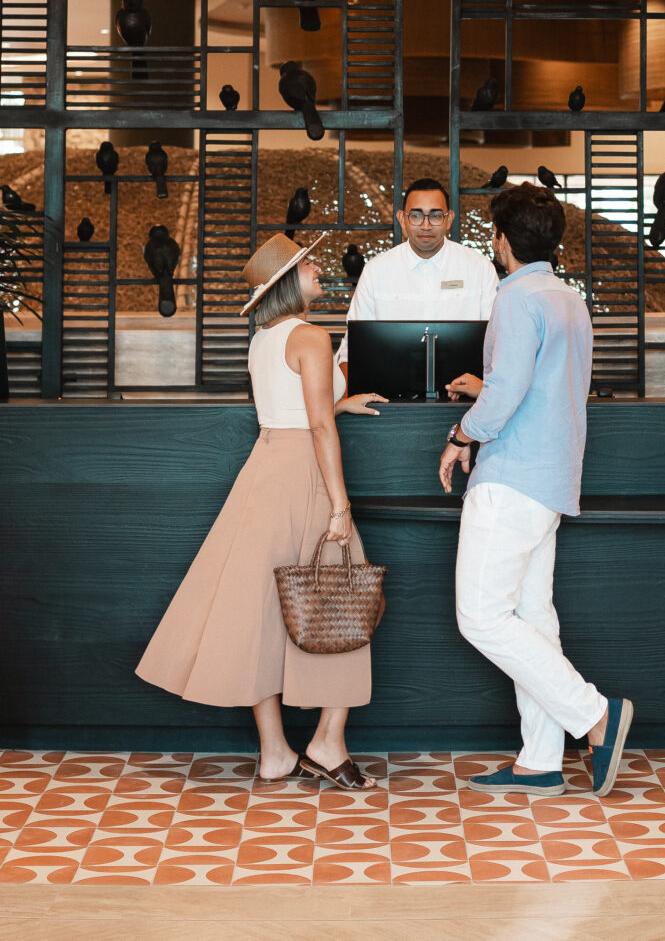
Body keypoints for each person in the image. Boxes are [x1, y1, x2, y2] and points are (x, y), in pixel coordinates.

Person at [137, 233, 388, 789]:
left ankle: (275, 752)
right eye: (307, 264)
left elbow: (295, 410)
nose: (319, 267)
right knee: (340, 600)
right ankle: (326, 741)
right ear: (288, 283)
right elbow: (318, 426)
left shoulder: (264, 339)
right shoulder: (313, 337)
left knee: (261, 616)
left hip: (264, 468)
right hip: (304, 476)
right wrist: (340, 507)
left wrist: (338, 403)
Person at [436, 183, 635, 797]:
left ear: (503, 243)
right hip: (552, 480)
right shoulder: (569, 299)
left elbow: (510, 389)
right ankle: (540, 759)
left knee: (480, 617)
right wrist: (489, 388)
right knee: (532, 618)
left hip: (512, 476)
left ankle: (596, 716)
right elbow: (541, 384)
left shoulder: (517, 299)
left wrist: (464, 432)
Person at [337, 176, 500, 394]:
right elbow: (352, 351)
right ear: (402, 219)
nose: (425, 225)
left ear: (449, 219)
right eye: (415, 215)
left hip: (466, 403)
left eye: (435, 215)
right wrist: (349, 411)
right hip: (388, 402)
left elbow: (499, 343)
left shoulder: (479, 269)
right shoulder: (376, 271)